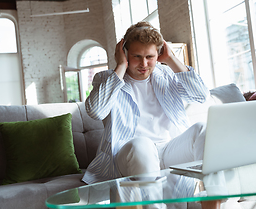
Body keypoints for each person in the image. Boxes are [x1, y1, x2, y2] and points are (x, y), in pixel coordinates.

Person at [82, 21, 209, 184]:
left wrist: (170, 59)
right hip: (129, 154)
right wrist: (121, 66)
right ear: (125, 53)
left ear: (158, 54)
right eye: (137, 57)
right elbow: (96, 111)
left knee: (203, 129)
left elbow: (201, 96)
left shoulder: (167, 74)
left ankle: (213, 199)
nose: (144, 64)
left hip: (168, 150)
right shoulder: (107, 78)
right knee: (143, 145)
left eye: (150, 57)